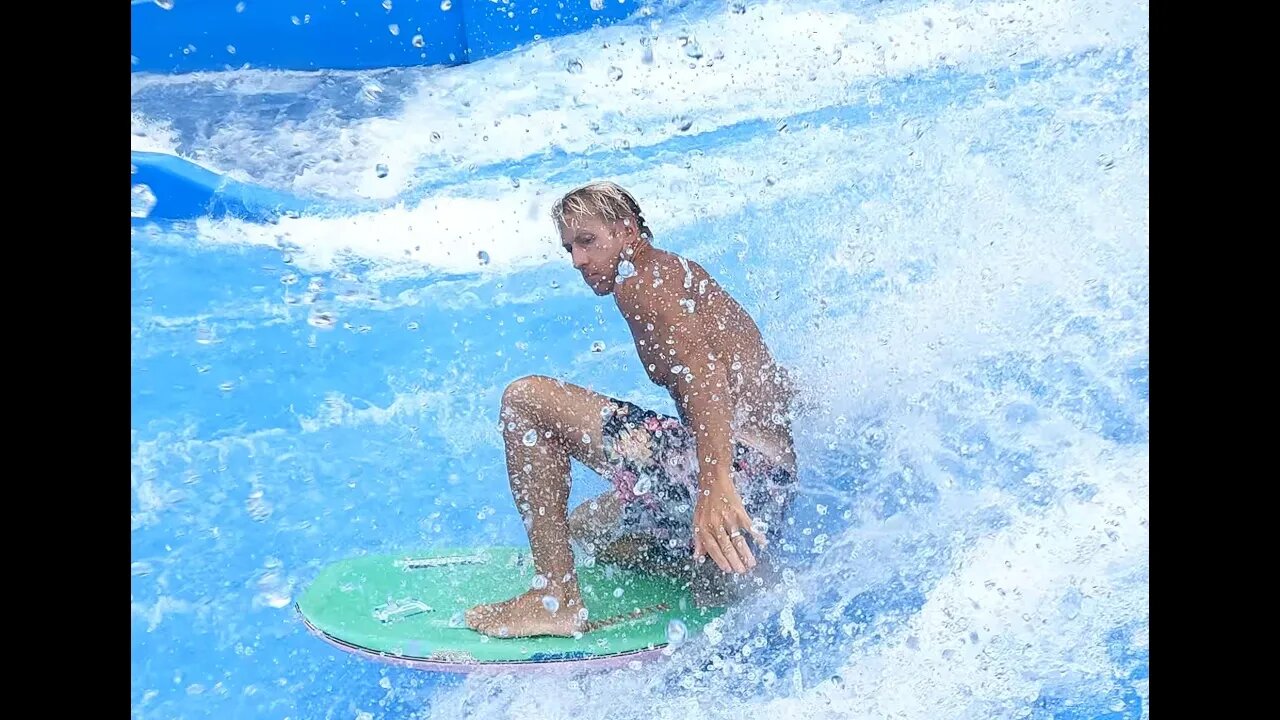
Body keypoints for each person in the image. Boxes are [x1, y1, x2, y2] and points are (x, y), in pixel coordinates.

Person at [465, 181, 798, 638]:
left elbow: (706, 378)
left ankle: (556, 599)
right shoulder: (674, 274)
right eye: (569, 249)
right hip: (769, 487)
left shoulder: (645, 284)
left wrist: (714, 484)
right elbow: (761, 382)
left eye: (587, 242)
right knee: (585, 529)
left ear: (626, 231)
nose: (579, 261)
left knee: (524, 400)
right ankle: (715, 571)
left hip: (738, 477)